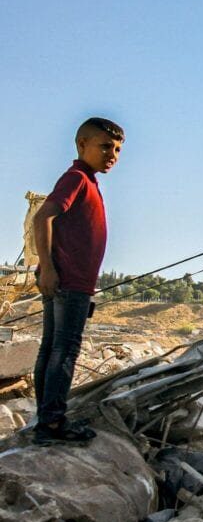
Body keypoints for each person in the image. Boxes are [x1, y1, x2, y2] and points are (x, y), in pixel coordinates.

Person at [32, 117, 125, 445]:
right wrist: (48, 268)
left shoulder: (87, 180)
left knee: (51, 349)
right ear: (81, 145)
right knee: (64, 350)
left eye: (116, 149)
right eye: (104, 146)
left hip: (68, 280)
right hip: (69, 282)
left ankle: (45, 417)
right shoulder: (77, 178)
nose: (111, 154)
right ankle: (53, 423)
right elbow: (43, 217)